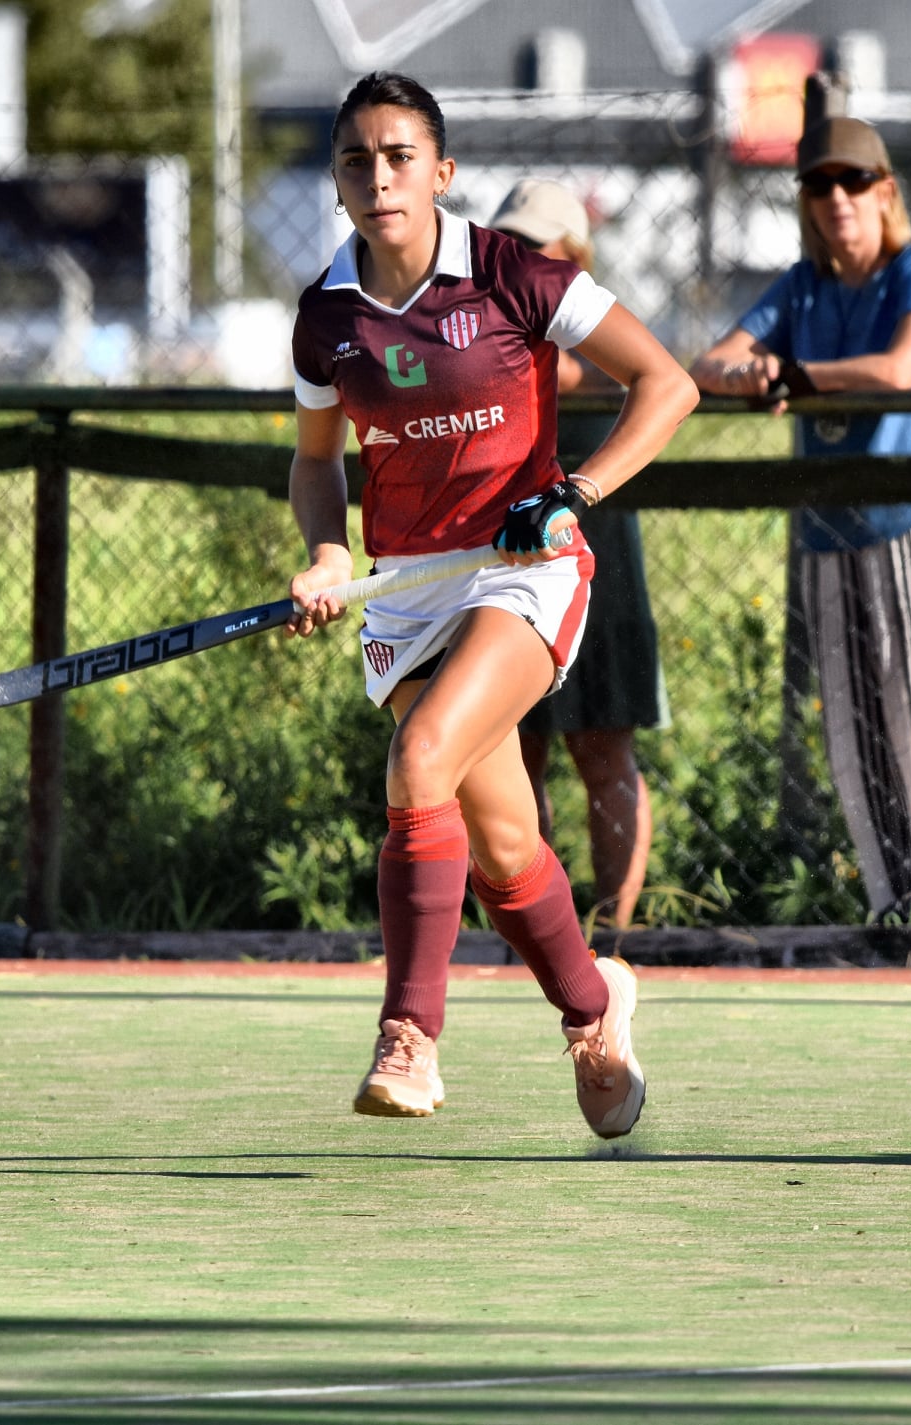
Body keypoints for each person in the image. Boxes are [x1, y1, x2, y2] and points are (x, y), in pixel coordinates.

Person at [284, 71, 697, 1137]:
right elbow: (317, 462)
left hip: (525, 570)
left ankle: (409, 1036)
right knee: (504, 845)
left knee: (420, 759)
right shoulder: (325, 316)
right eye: (356, 161)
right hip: (406, 591)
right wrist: (329, 551)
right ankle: (594, 1008)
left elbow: (668, 385)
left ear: (441, 172)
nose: (378, 178)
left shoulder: (516, 274)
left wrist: (575, 493)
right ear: (335, 184)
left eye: (399, 156)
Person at [690, 111, 911, 921]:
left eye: (853, 180)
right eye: (818, 183)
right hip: (829, 524)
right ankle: (889, 906)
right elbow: (710, 362)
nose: (836, 196)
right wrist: (752, 374)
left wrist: (792, 372)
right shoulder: (803, 284)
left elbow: (897, 369)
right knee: (853, 737)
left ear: (884, 191)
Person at [489, 179, 667, 929]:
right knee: (512, 751)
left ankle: (614, 935)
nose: (516, 257)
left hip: (600, 557)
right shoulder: (480, 320)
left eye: (533, 245)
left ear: (573, 256)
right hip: (501, 556)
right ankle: (532, 928)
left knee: (603, 749)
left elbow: (646, 373)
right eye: (507, 242)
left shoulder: (595, 319)